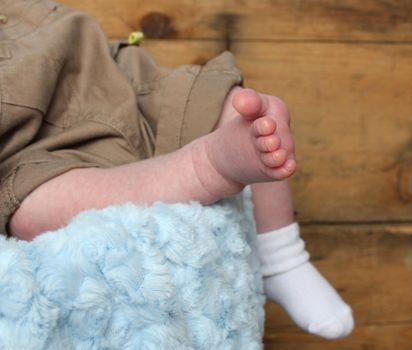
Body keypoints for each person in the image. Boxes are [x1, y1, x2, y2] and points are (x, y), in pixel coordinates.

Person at [0, 0, 353, 339]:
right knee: (33, 212)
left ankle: (281, 255)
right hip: (23, 152)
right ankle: (204, 166)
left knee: (242, 110)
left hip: (90, 74)